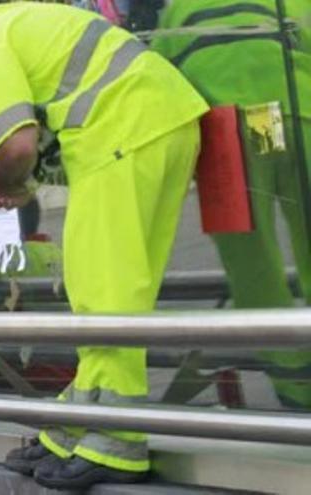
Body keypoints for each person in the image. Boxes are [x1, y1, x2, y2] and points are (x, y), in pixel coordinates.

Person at [0, 3, 208, 489]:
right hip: (148, 122)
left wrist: (7, 187)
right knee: (99, 282)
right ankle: (80, 420)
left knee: (104, 291)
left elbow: (16, 148)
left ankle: (118, 439)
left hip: (124, 131)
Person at [152, 0, 311, 408]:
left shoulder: (175, 12)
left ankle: (296, 388)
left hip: (229, 131)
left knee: (253, 266)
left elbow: (161, 84)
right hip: (299, 112)